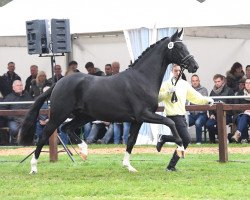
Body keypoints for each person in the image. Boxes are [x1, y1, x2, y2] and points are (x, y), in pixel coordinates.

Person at [157, 64, 213, 171]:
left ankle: (165, 142)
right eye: (175, 71)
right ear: (172, 71)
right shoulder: (166, 84)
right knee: (186, 140)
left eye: (179, 71)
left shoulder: (184, 84)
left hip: (181, 115)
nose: (178, 73)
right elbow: (158, 98)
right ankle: (171, 164)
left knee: (183, 141)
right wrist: (167, 92)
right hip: (172, 115)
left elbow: (195, 97)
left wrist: (206, 100)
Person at [0, 80, 33, 144]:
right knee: (15, 129)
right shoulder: (9, 97)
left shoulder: (28, 96)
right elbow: (3, 109)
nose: (20, 87)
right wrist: (12, 117)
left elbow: (32, 107)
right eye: (17, 85)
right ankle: (15, 143)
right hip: (13, 120)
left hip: (26, 119)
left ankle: (28, 143)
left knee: (32, 127)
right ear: (13, 87)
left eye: (21, 85)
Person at [206, 74, 235, 143]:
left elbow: (232, 105)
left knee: (220, 123)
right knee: (208, 124)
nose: (217, 83)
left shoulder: (229, 90)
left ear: (222, 81)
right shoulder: (212, 92)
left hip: (227, 115)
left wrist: (224, 106)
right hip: (215, 115)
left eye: (218, 81)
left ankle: (223, 138)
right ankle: (212, 141)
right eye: (215, 82)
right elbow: (210, 104)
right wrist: (211, 114)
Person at [188, 74, 208, 144]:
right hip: (191, 114)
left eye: (196, 80)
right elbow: (186, 102)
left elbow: (203, 101)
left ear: (199, 81)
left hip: (202, 114)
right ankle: (186, 141)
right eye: (193, 81)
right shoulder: (188, 90)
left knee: (198, 123)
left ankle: (198, 141)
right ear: (191, 82)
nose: (195, 82)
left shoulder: (204, 90)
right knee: (183, 122)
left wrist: (193, 100)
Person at [231, 78, 250, 143]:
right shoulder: (240, 93)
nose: (248, 84)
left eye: (249, 83)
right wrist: (244, 111)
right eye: (246, 83)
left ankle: (241, 136)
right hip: (241, 114)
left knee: (243, 118)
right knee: (243, 117)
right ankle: (244, 138)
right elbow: (236, 106)